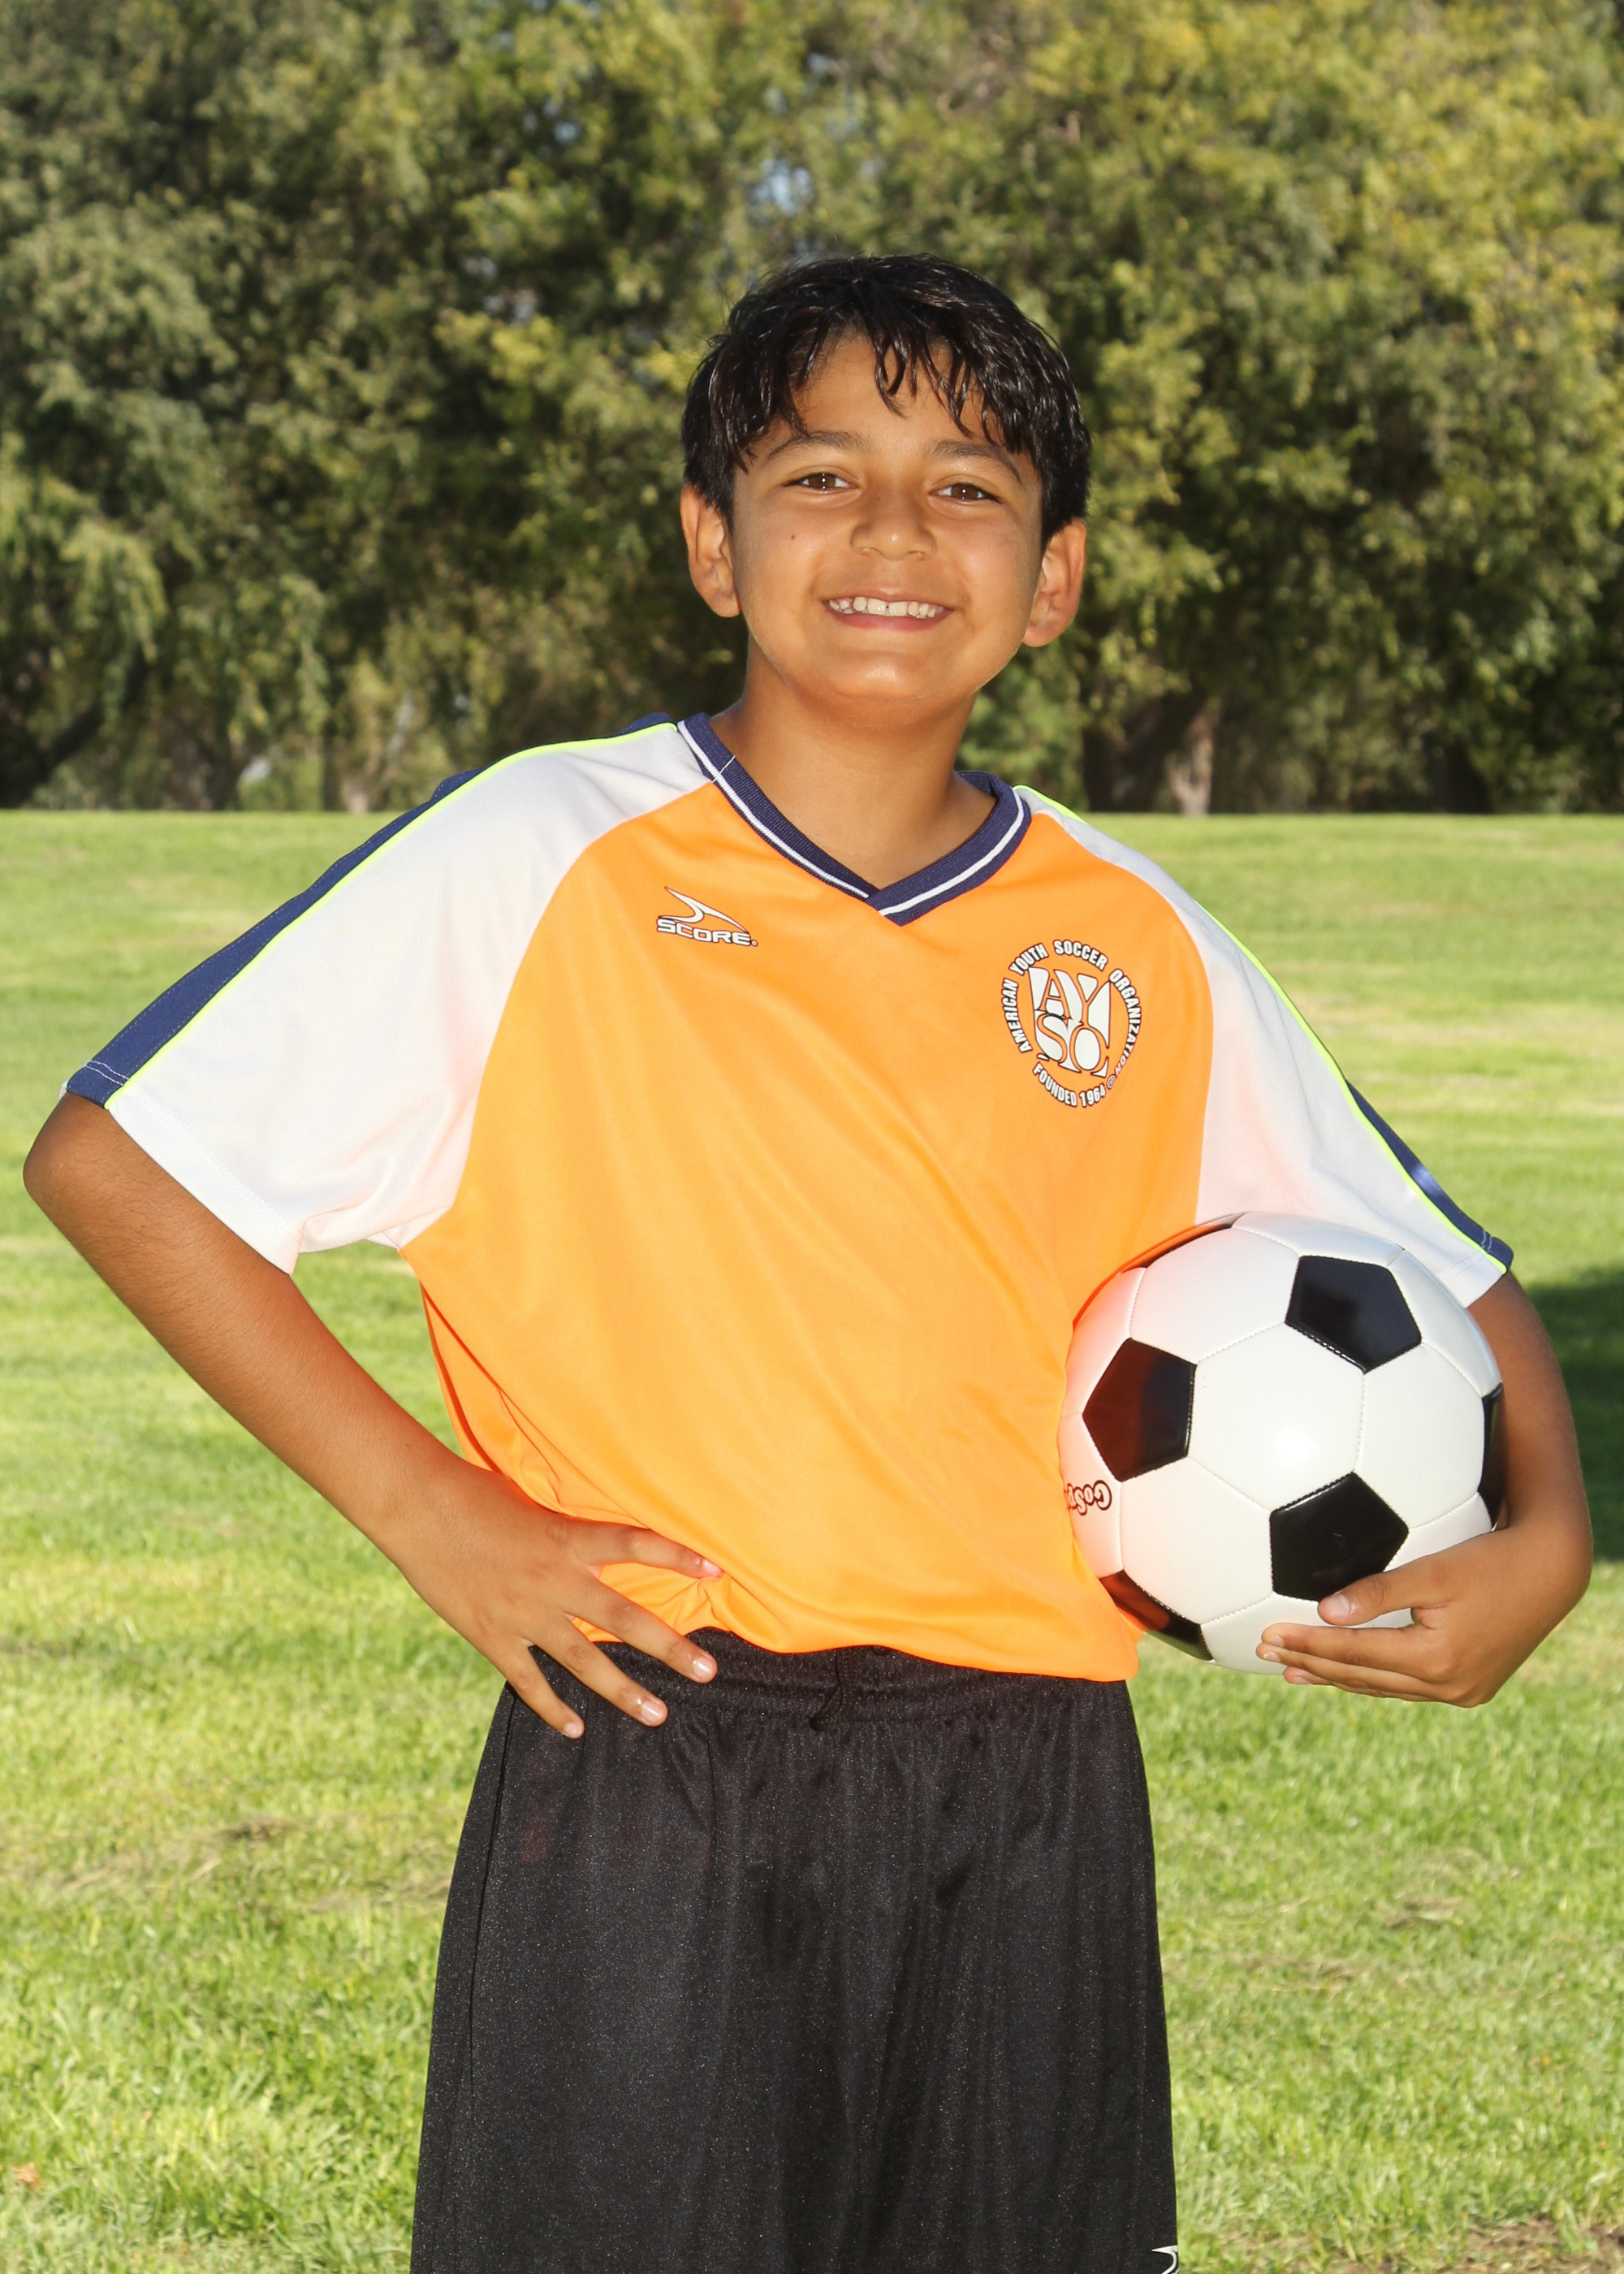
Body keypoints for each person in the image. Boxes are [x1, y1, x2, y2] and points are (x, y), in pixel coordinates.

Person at [24, 255, 1591, 2274]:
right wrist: (439, 1514)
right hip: (656, 1744)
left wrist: (1548, 1537)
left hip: (1031, 1787)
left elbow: (1438, 1273)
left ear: (1053, 576)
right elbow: (126, 1162)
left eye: (966, 487)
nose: (891, 532)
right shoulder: (541, 852)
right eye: (822, 475)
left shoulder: (1134, 937)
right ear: (713, 540)